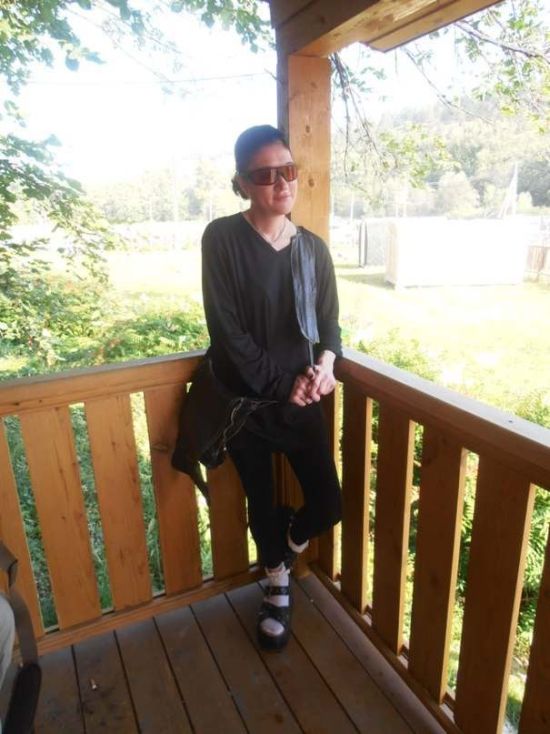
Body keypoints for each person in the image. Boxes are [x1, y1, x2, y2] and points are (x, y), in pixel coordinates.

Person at [201, 124, 342, 651]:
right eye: (265, 175)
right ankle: (277, 585)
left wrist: (326, 364)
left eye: (288, 170)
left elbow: (330, 326)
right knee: (260, 502)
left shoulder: (312, 250)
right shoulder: (222, 239)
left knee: (327, 503)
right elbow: (228, 333)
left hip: (301, 400)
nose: (281, 183)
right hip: (246, 405)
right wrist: (284, 384)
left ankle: (287, 544)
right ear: (242, 183)